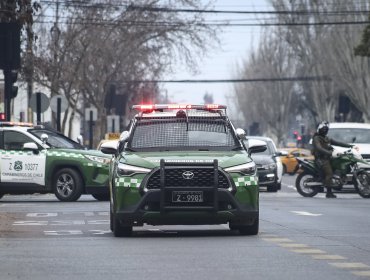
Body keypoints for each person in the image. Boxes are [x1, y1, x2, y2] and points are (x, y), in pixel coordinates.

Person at [312, 121, 353, 198]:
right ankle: (329, 192)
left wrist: (350, 146)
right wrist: (329, 153)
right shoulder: (316, 138)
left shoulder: (326, 138)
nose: (325, 131)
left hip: (328, 158)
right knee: (329, 173)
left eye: (326, 129)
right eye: (323, 129)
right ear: (320, 130)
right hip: (321, 159)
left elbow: (338, 143)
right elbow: (319, 148)